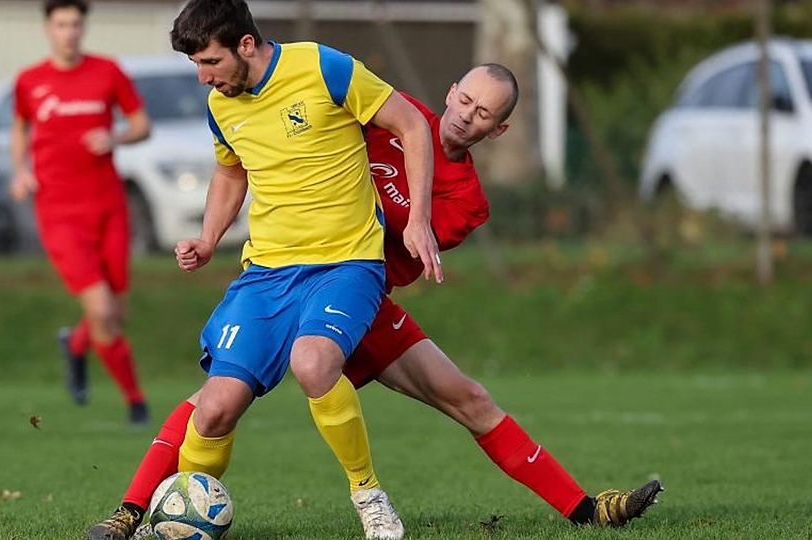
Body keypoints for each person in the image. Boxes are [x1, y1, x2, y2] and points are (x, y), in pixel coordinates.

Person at [89, 63, 664, 540]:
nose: (466, 114)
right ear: (450, 92)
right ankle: (129, 514)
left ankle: (587, 510)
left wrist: (386, 218)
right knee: (213, 402)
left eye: (483, 113)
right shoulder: (394, 112)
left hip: (353, 295)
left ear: (498, 132)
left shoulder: (466, 201)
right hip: (285, 272)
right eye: (464, 99)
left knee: (469, 398)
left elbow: (398, 251)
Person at [87, 0, 439, 538]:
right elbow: (231, 174)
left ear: (245, 45)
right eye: (197, 67)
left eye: (210, 63)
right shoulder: (221, 105)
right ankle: (177, 523)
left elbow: (412, 124)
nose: (205, 78)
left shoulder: (324, 67)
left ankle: (369, 496)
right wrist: (208, 239)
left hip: (345, 262)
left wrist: (418, 219)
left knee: (314, 362)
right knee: (213, 410)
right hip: (267, 273)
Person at [10, 0, 152, 425]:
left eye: (76, 24)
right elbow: (20, 128)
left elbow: (142, 124)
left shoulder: (107, 71)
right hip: (59, 213)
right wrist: (19, 171)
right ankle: (136, 403)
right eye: (61, 24)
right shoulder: (30, 81)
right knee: (103, 310)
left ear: (83, 27)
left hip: (109, 207)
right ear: (48, 29)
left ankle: (75, 344)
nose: (69, 32)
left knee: (116, 313)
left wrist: (116, 138)